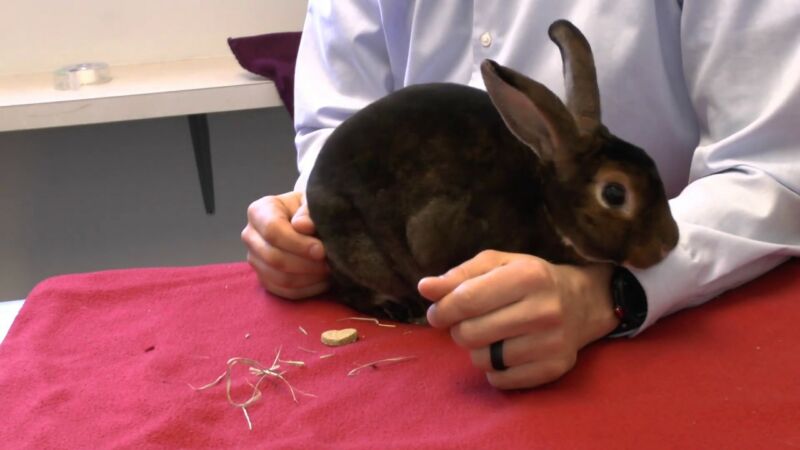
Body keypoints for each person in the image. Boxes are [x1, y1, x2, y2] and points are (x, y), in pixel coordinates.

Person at [241, 1, 800, 389]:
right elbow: (336, 121)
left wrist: (612, 291)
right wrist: (315, 229)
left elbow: (771, 167)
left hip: (665, 329)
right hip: (409, 338)